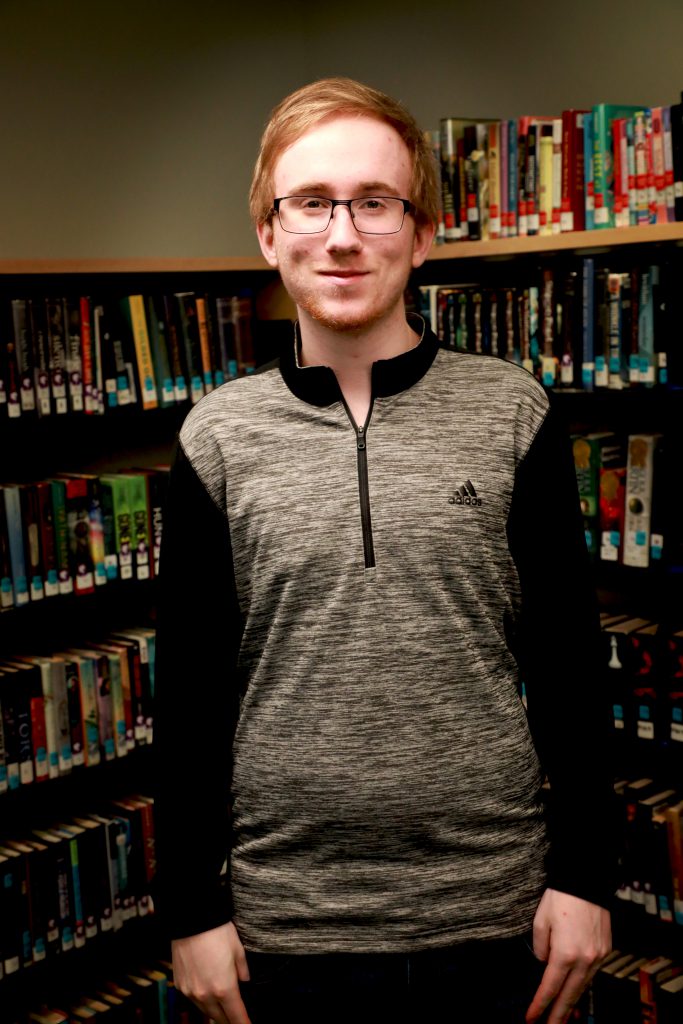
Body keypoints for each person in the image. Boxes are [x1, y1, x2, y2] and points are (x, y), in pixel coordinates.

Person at [153, 77, 615, 1024]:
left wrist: (587, 880)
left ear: (423, 231)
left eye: (374, 202)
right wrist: (190, 910)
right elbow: (190, 695)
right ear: (268, 233)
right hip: (282, 933)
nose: (342, 233)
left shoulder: (512, 413)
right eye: (311, 202)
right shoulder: (217, 436)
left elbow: (569, 667)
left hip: (498, 919)